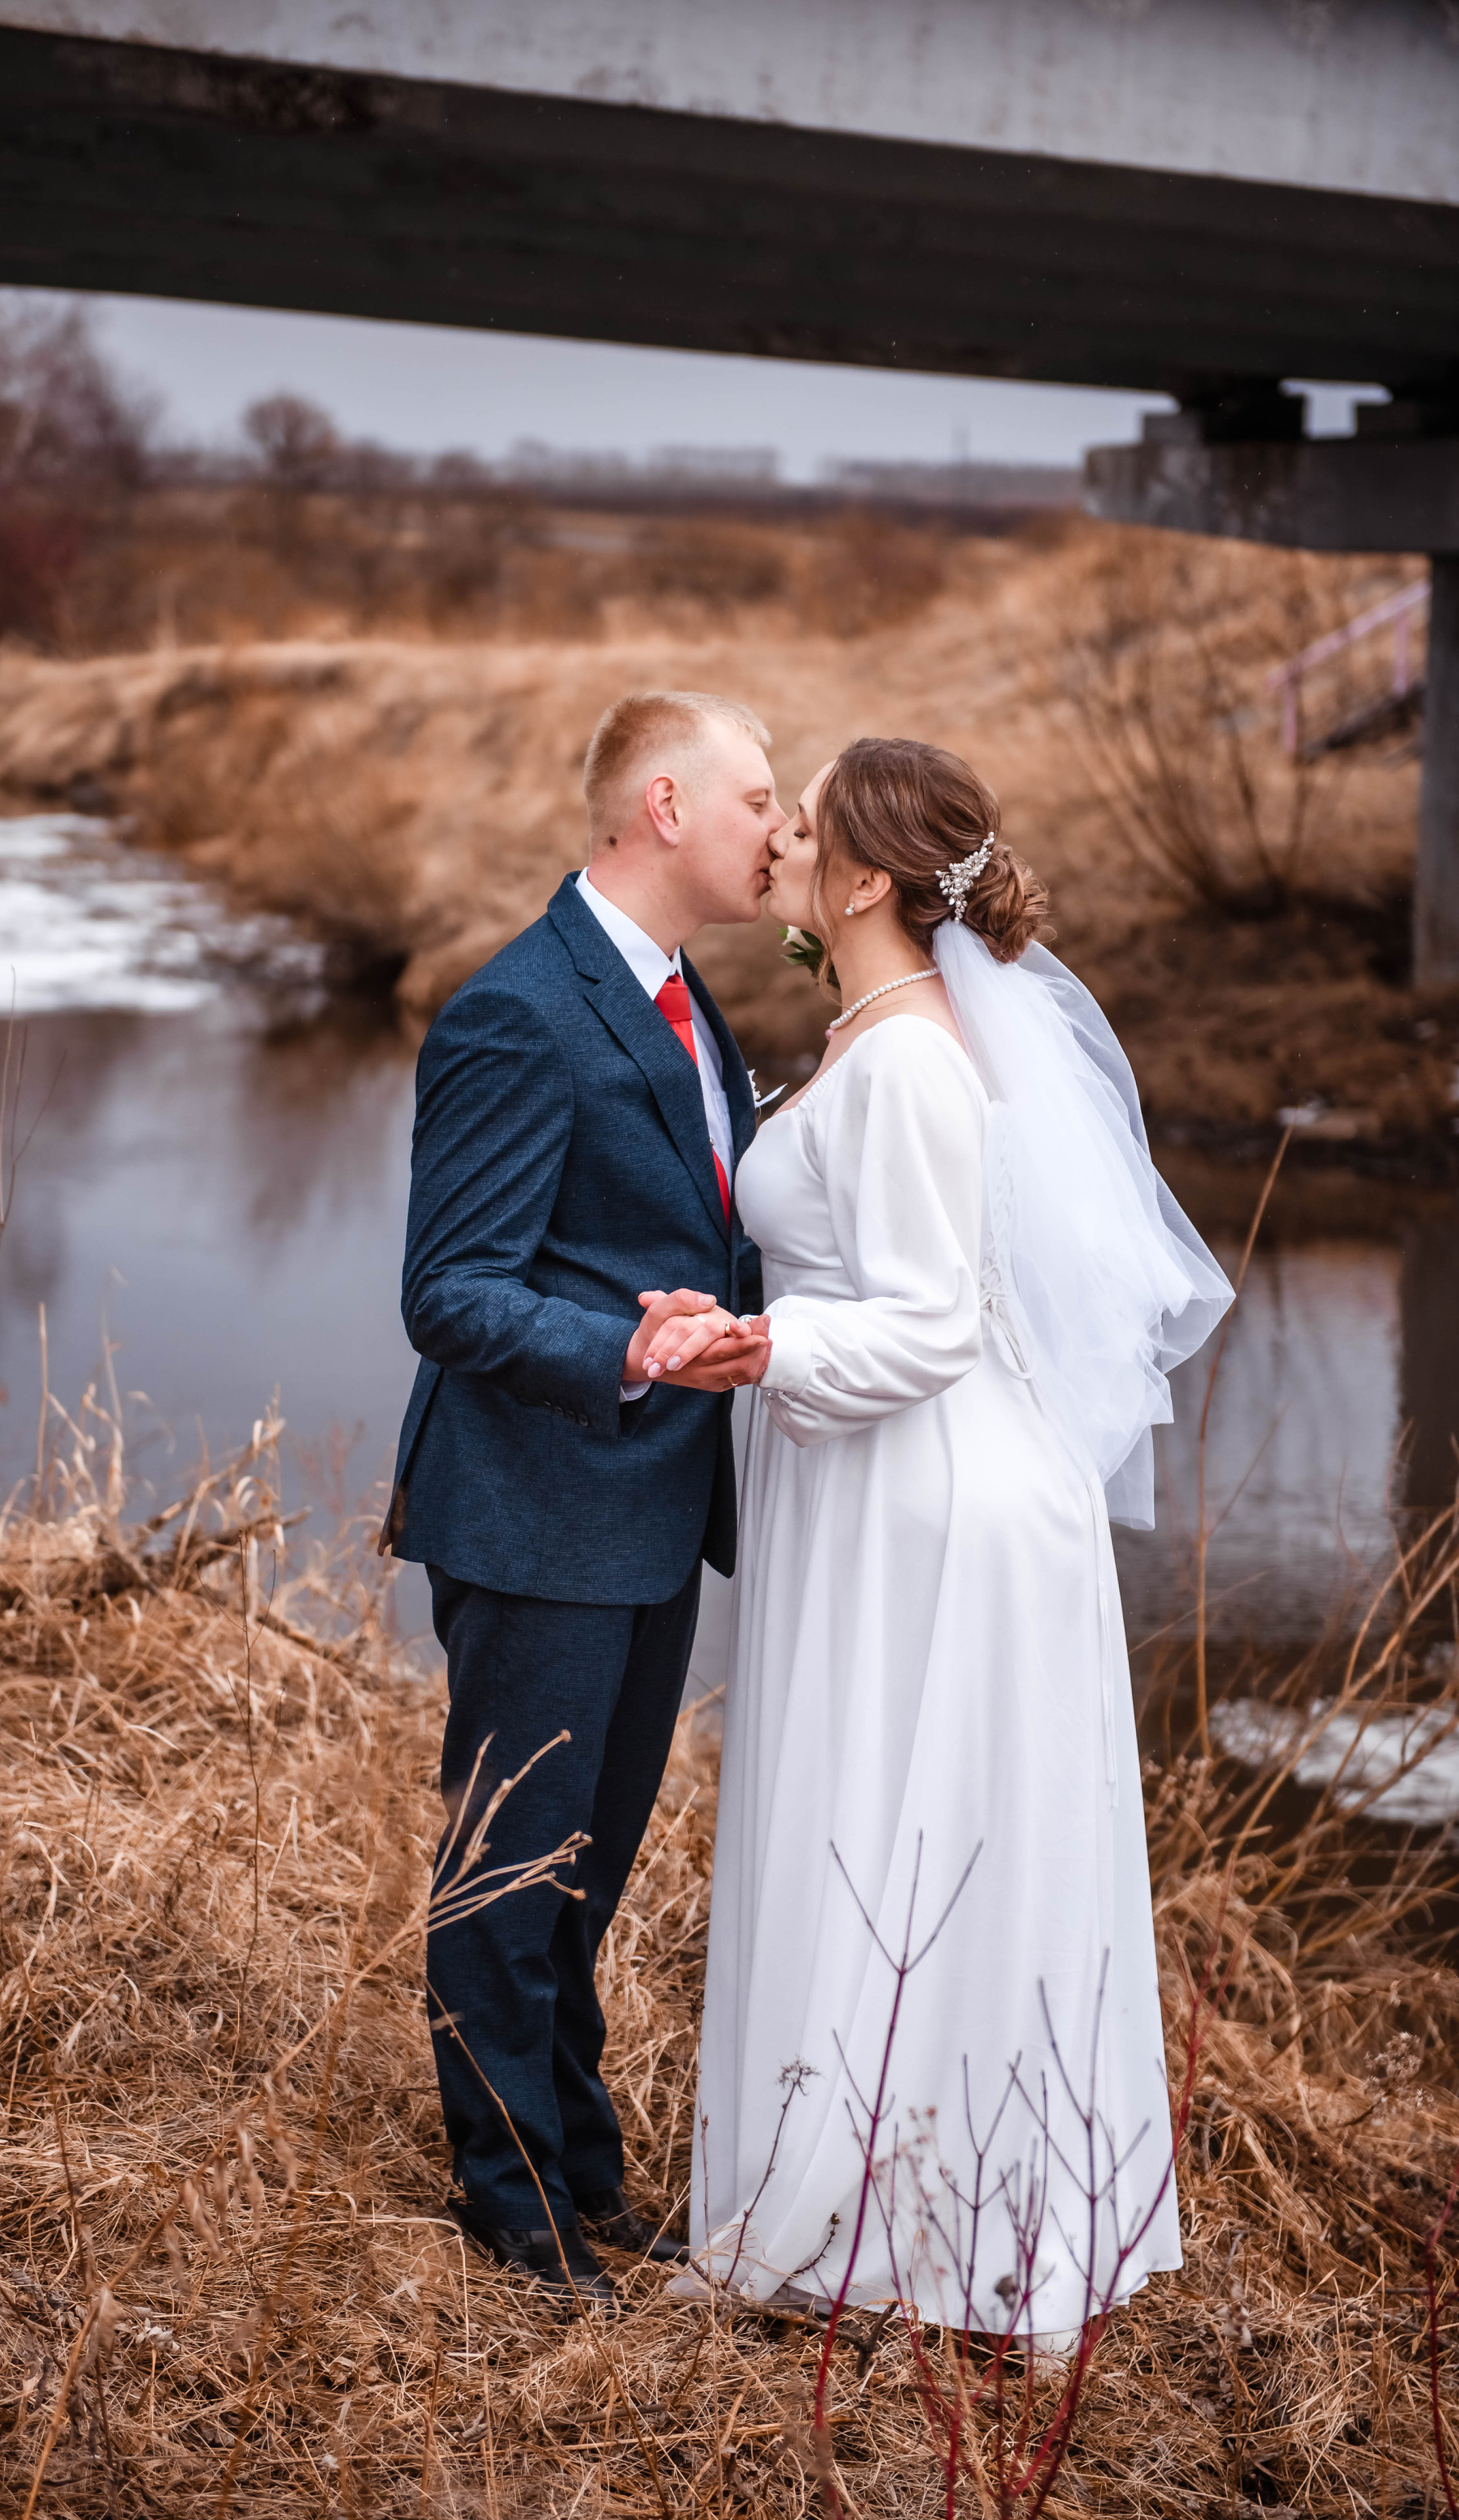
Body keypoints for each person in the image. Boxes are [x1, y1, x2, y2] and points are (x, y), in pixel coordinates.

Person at [642, 737, 1232, 2344]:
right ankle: (891, 2203)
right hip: (876, 1482)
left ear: (867, 878)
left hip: (925, 1498)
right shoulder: (873, 1036)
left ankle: (902, 2226)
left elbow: (918, 1324)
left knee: (902, 1832)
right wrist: (743, 1321)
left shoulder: (904, 1062)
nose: (781, 842)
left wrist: (755, 1354)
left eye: (805, 822)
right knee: (887, 1828)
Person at [384, 690, 784, 2308]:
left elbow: (702, 1228)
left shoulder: (688, 1004)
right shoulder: (518, 1012)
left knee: (588, 1868)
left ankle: (580, 2167)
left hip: (643, 1511)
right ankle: (512, 2212)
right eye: (761, 800)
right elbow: (452, 1292)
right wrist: (631, 1351)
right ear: (667, 805)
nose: (784, 832)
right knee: (512, 1869)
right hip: (539, 1506)